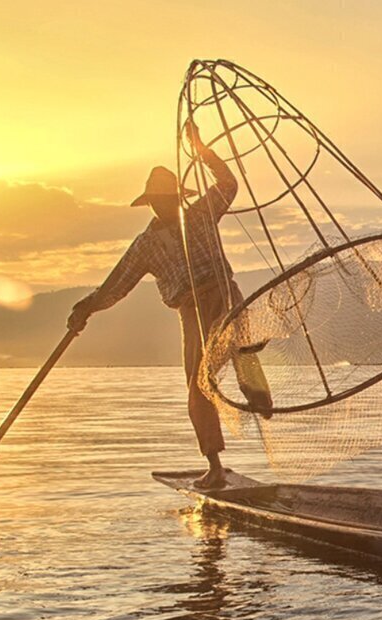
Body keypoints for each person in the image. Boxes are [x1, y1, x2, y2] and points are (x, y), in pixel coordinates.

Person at [67, 122, 270, 490]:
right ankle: (215, 465)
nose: (164, 205)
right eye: (158, 202)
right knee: (197, 386)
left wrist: (201, 150)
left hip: (224, 294)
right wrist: (87, 307)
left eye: (169, 199)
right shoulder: (146, 244)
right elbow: (117, 285)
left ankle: (256, 392)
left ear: (178, 197)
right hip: (190, 308)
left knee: (242, 349)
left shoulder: (202, 213)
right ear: (151, 204)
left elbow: (228, 185)